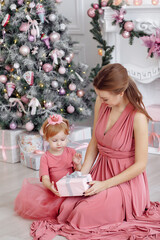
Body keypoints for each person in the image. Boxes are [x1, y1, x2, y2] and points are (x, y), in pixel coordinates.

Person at [31, 63, 160, 240]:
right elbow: (95, 141)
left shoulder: (138, 117)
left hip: (125, 183)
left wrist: (105, 184)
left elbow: (141, 165)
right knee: (66, 208)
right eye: (99, 95)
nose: (101, 100)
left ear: (120, 93)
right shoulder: (102, 102)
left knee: (83, 214)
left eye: (105, 97)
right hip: (100, 171)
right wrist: (81, 174)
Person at [14, 114, 82, 220]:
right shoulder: (45, 157)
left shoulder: (71, 152)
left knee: (80, 205)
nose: (59, 143)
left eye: (63, 139)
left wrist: (77, 164)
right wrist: (51, 187)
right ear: (47, 139)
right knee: (49, 207)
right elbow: (45, 178)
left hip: (71, 189)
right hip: (55, 192)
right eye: (54, 141)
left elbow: (79, 173)